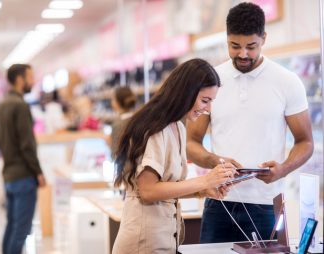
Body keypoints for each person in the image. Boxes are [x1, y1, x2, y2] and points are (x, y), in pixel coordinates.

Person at [186, 2, 313, 244]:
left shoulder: (287, 82)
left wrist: (283, 169)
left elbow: (306, 142)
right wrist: (216, 162)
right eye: (235, 46)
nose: (243, 54)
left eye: (251, 46)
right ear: (226, 40)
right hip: (218, 201)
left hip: (267, 204)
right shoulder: (211, 80)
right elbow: (190, 142)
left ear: (264, 39)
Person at [112, 58, 236, 254]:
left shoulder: (178, 126)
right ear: (187, 92)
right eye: (205, 100)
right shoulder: (154, 128)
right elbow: (148, 190)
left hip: (163, 240)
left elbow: (167, 186)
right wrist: (205, 181)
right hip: (143, 243)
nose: (208, 109)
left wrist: (202, 191)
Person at [0, 64, 47, 254]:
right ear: (20, 79)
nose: (33, 82)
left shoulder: (3, 104)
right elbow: (27, 145)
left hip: (9, 175)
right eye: (30, 77)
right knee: (21, 231)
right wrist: (38, 172)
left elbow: (0, 141)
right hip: (24, 176)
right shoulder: (20, 106)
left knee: (11, 227)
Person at [110, 86, 137, 157]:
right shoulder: (137, 118)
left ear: (117, 102)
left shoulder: (118, 124)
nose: (111, 102)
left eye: (113, 99)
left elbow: (115, 151)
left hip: (125, 165)